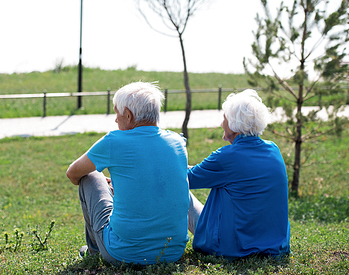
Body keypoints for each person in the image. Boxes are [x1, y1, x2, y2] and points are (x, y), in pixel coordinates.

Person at [66, 81, 190, 265]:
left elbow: (73, 173)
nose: (116, 120)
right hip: (173, 252)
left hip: (122, 254)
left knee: (90, 176)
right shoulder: (178, 142)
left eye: (117, 113)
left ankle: (95, 251)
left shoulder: (114, 141)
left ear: (128, 115)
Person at [188, 89, 291, 260]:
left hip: (234, 247)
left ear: (234, 124)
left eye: (224, 118)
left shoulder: (226, 157)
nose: (222, 123)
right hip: (274, 246)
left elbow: (184, 179)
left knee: (180, 190)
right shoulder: (273, 149)